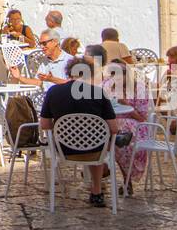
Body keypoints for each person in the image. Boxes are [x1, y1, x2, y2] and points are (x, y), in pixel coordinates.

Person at [39, 57, 119, 207]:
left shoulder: (54, 91)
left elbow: (44, 124)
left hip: (65, 149)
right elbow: (114, 128)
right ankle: (96, 192)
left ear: (68, 72)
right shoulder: (97, 92)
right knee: (100, 140)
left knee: (94, 139)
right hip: (95, 150)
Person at [102, 58, 149, 196]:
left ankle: (124, 179)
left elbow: (141, 117)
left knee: (121, 136)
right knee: (98, 132)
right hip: (110, 121)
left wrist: (126, 105)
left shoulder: (139, 88)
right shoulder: (105, 85)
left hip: (134, 123)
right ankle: (100, 169)